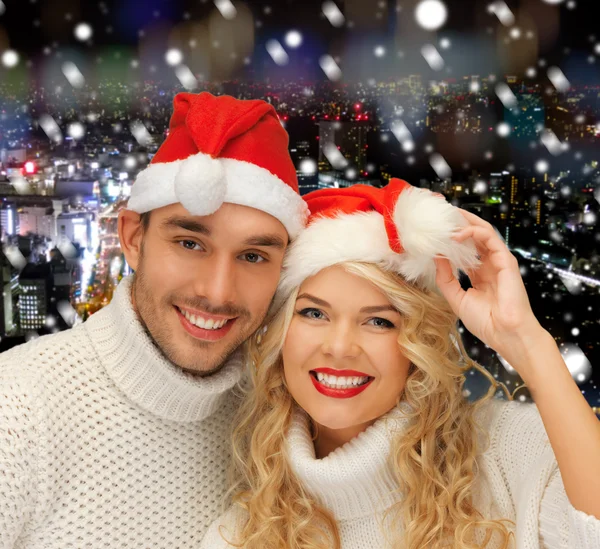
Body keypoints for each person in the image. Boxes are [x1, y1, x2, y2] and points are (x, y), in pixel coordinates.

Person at [200, 180, 600, 549]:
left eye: (379, 321)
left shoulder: (507, 451)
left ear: (418, 342)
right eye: (314, 314)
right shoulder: (240, 536)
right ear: (279, 332)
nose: (340, 348)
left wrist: (527, 342)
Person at [0, 91, 308, 548]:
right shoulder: (18, 411)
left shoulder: (278, 417)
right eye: (189, 243)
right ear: (132, 238)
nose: (217, 291)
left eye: (252, 255)